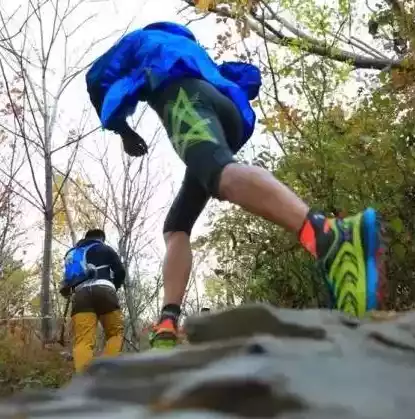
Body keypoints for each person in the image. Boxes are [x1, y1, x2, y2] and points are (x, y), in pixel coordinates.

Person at [85, 22, 384, 349]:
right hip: (228, 112)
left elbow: (97, 77)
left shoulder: (143, 39)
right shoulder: (191, 48)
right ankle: (168, 322)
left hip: (184, 99)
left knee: (221, 173)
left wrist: (122, 130)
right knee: (176, 226)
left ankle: (329, 236)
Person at [60, 229, 126, 372]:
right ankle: (106, 372)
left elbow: (67, 281)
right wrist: (114, 286)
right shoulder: (105, 249)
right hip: (105, 291)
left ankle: (84, 380)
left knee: (83, 340)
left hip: (80, 295)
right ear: (101, 238)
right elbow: (120, 271)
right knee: (115, 333)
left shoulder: (73, 254)